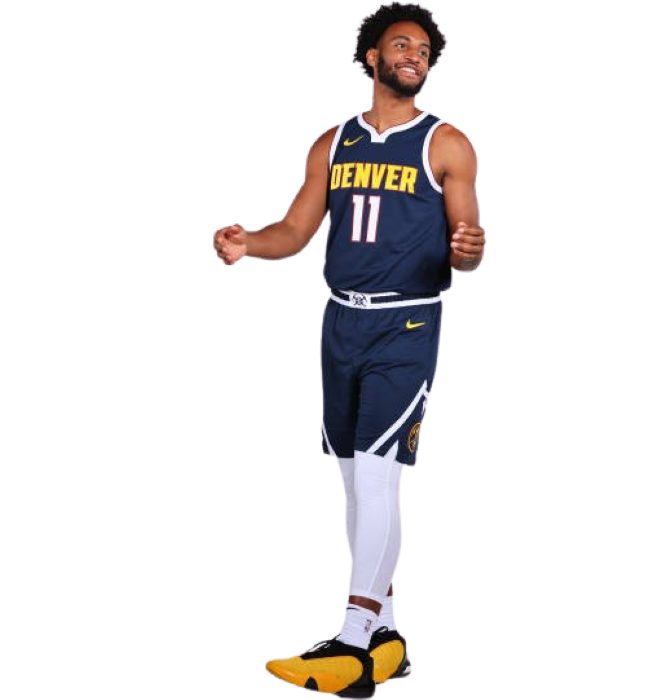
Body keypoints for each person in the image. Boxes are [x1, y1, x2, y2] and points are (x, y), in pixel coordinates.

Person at [212, 2, 485, 697]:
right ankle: (388, 629)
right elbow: (295, 232)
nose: (415, 57)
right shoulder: (333, 143)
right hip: (340, 323)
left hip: (407, 324)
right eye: (402, 45)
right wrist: (249, 244)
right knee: (353, 479)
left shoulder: (448, 143)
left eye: (424, 50)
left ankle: (353, 636)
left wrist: (469, 250)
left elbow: (468, 244)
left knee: (378, 474)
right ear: (371, 57)